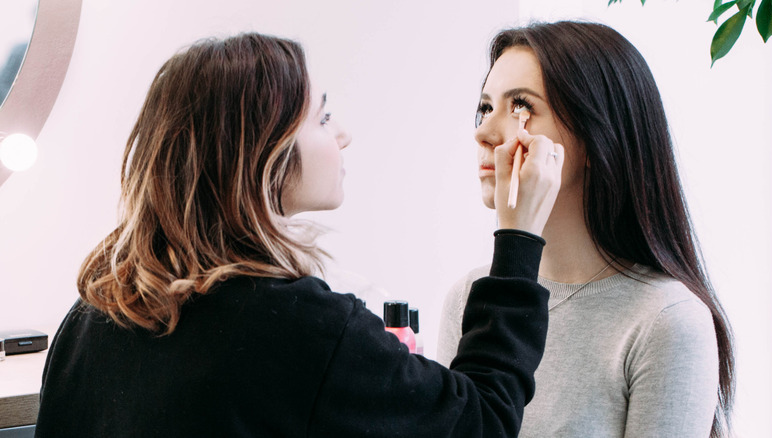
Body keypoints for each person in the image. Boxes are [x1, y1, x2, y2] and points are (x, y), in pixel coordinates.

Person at [35, 33, 564, 437]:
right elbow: (483, 422)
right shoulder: (298, 327)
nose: (343, 134)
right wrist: (517, 240)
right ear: (264, 152)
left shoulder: (89, 320)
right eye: (323, 116)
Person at [438, 21, 735, 438]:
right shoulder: (470, 297)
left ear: (598, 138)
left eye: (520, 107)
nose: (483, 132)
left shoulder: (668, 322)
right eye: (486, 107)